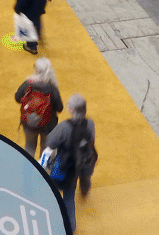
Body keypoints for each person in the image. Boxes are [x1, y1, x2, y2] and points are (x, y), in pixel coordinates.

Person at [43, 95, 96, 234]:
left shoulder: (64, 127)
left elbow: (50, 143)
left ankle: (69, 228)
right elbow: (91, 141)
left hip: (68, 166)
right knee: (81, 182)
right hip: (85, 162)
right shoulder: (90, 123)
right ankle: (84, 188)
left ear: (71, 109)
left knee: (68, 197)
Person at [14, 58, 63, 157]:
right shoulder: (52, 88)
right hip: (48, 125)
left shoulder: (28, 84)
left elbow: (17, 98)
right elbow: (60, 108)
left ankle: (27, 169)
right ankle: (42, 170)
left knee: (29, 147)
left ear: (36, 70)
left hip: (28, 123)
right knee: (45, 150)